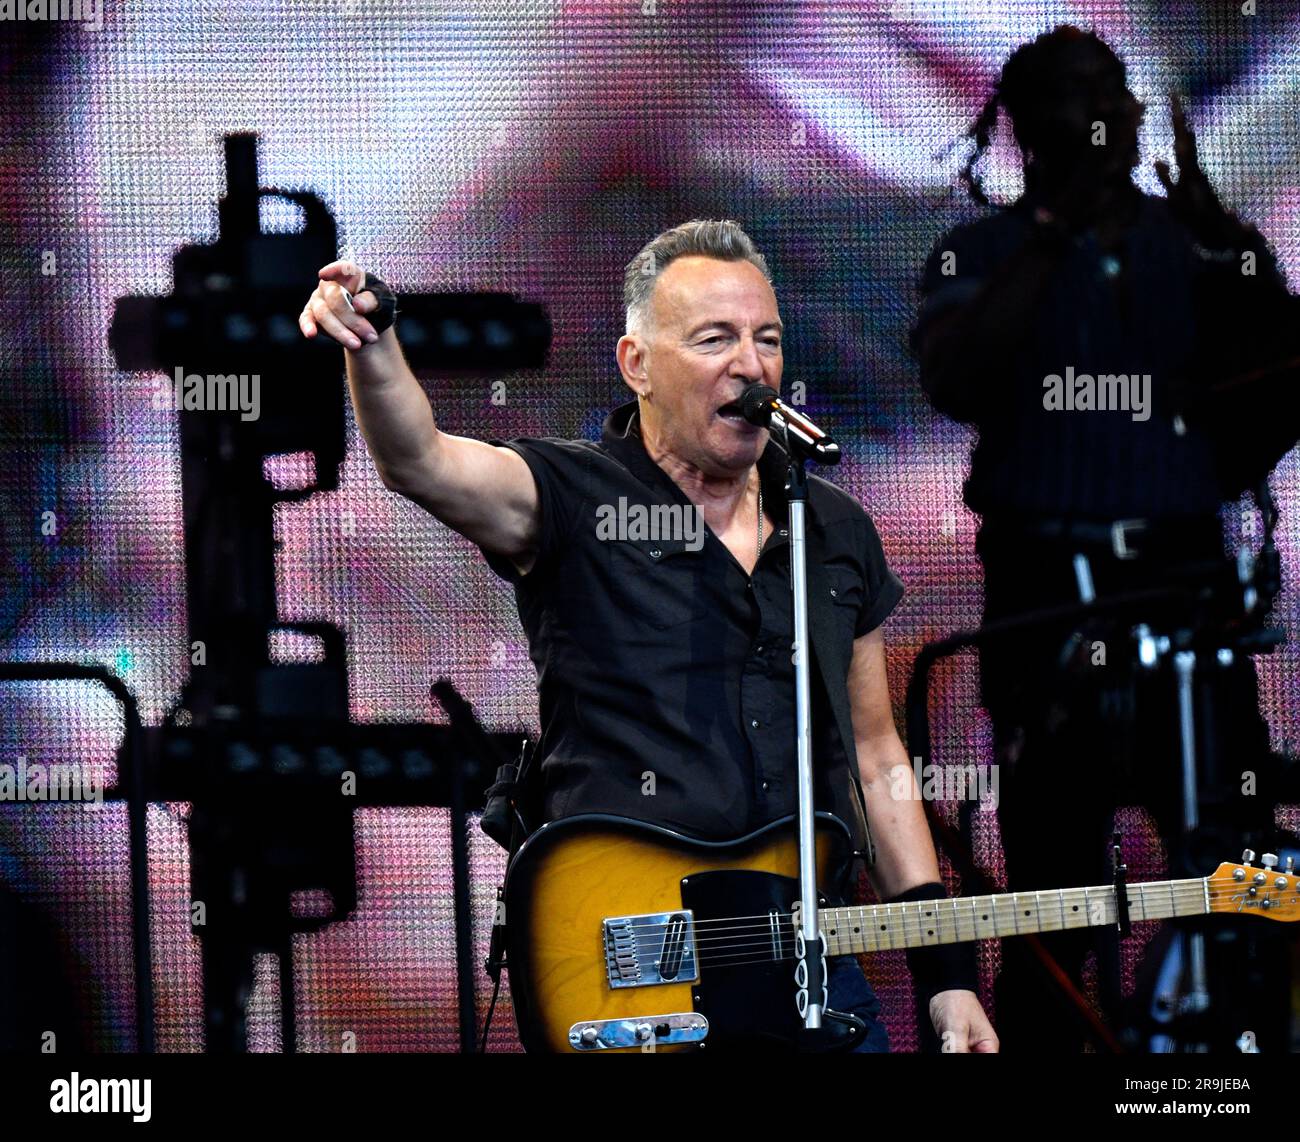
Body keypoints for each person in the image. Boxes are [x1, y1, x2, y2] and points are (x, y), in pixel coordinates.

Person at [300, 218, 997, 1052]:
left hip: (806, 959)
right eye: (716, 339)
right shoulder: (571, 495)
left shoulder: (830, 528)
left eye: (766, 339)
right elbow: (420, 460)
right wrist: (371, 343)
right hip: (633, 965)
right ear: (638, 366)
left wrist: (947, 978)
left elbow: (877, 760)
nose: (752, 364)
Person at [913, 25, 1299, 1051]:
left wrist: (1235, 245)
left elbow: (1285, 373)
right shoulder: (978, 249)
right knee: (1056, 894)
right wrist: (1051, 234)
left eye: (1115, 91)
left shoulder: (1190, 239)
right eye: (1080, 98)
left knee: (1244, 874)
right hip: (1047, 602)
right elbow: (954, 377)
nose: (1109, 115)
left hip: (1183, 588)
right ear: (1029, 128)